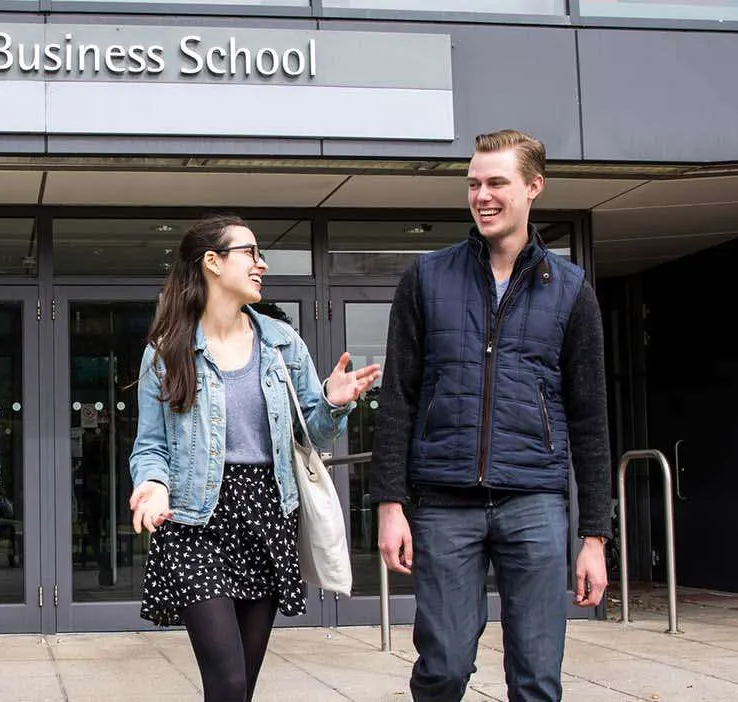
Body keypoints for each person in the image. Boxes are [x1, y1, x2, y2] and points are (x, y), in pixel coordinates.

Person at [370, 129, 613, 702]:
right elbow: (399, 398)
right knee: (444, 667)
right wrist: (389, 502)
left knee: (535, 677)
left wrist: (596, 537)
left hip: (534, 502)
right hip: (444, 501)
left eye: (497, 182)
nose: (482, 195)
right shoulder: (426, 278)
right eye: (474, 183)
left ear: (533, 187)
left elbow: (591, 419)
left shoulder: (572, 290)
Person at [129, 214, 381, 701]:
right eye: (249, 252)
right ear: (213, 263)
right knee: (225, 680)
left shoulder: (282, 343)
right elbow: (151, 445)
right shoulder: (167, 351)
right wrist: (153, 484)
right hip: (195, 519)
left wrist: (333, 400)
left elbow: (316, 431)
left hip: (266, 513)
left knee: (242, 683)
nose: (261, 263)